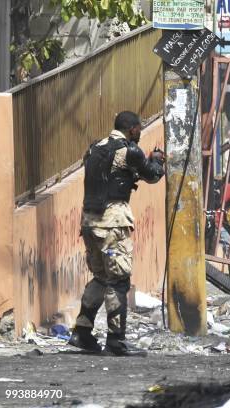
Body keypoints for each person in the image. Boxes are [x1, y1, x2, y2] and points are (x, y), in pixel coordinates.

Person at [69, 111, 165, 355]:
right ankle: (116, 341)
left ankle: (82, 333)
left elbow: (106, 176)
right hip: (112, 226)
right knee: (118, 281)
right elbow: (152, 175)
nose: (140, 133)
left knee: (101, 278)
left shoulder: (94, 147)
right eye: (139, 129)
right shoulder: (129, 151)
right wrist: (158, 161)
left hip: (89, 223)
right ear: (132, 129)